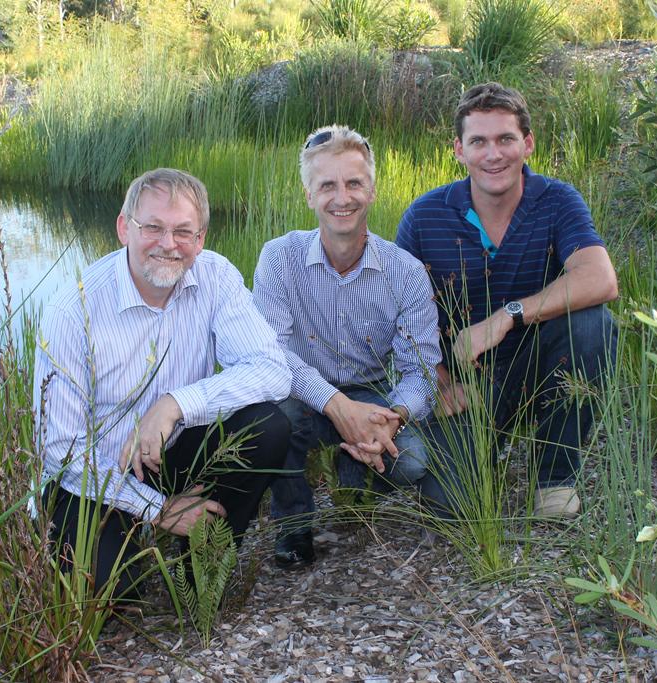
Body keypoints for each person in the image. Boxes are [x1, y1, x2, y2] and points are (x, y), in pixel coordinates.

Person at [34, 168, 292, 598]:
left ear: (201, 238)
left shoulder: (216, 276)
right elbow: (62, 452)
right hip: (93, 479)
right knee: (108, 590)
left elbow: (271, 369)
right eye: (152, 227)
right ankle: (149, 533)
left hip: (170, 453)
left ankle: (202, 565)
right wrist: (158, 510)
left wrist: (175, 404)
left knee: (268, 426)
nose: (168, 244)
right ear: (124, 229)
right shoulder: (72, 312)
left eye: (183, 231)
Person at [396, 82, 619, 519]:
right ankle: (484, 455)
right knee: (447, 505)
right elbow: (398, 313)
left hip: (542, 370)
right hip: (468, 386)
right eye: (478, 141)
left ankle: (554, 479)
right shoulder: (425, 216)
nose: (493, 154)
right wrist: (439, 380)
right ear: (459, 150)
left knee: (593, 324)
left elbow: (600, 278)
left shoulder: (557, 200)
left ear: (528, 144)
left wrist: (507, 316)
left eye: (505, 139)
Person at [253, 125, 443, 569]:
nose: (343, 197)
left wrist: (392, 419)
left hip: (371, 395)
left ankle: (356, 482)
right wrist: (335, 405)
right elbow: (271, 355)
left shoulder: (406, 272)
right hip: (299, 394)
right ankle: (293, 526)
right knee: (273, 418)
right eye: (328, 186)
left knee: (412, 462)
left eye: (354, 183)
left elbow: (421, 372)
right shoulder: (278, 258)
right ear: (308, 195)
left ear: (372, 190)